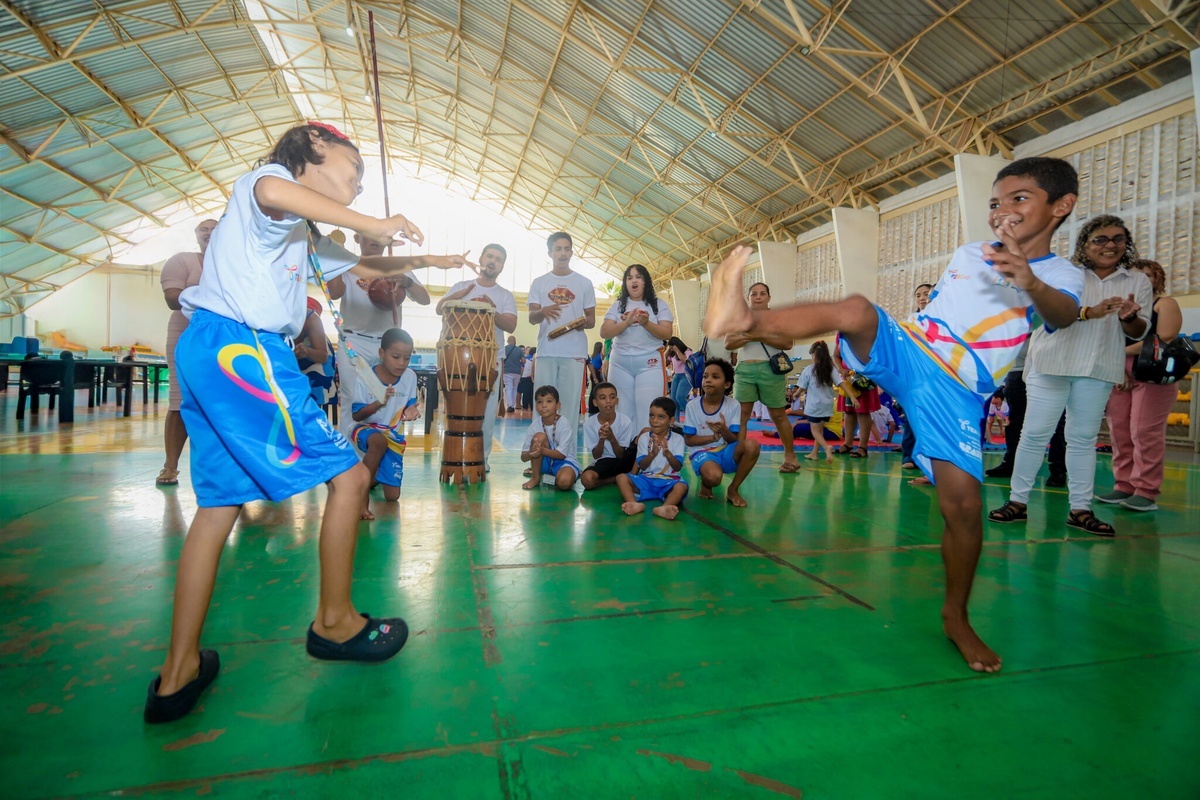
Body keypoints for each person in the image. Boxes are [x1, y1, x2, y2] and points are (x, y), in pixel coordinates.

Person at [704, 156, 1088, 674]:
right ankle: (746, 317)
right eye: (995, 202)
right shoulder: (972, 252)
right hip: (912, 346)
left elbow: (1061, 318)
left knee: (965, 508)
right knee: (859, 309)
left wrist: (1031, 281)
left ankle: (956, 616)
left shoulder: (1061, 273)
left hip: (958, 388)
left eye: (1020, 199)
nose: (1003, 211)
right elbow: (939, 314)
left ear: (1061, 207)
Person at [144, 122, 468, 724]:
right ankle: (335, 623)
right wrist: (376, 219)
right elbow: (279, 194)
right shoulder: (266, 186)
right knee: (349, 480)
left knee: (217, 508)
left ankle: (178, 670)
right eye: (353, 171)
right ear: (313, 152)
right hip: (247, 351)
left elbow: (369, 258)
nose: (359, 185)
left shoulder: (298, 231)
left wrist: (434, 259)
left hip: (211, 348)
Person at [989, 214, 1151, 537]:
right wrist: (1088, 312)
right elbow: (1043, 313)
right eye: (1100, 239)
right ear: (1085, 243)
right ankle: (1017, 502)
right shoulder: (1063, 272)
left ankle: (1080, 509)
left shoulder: (1136, 281)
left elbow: (1139, 330)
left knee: (1083, 440)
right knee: (1034, 434)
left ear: (1126, 244)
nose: (1110, 245)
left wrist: (1128, 317)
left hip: (1098, 367)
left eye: (1118, 239)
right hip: (1052, 362)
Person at [327, 232, 460, 436]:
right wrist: (335, 256)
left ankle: (385, 446)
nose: (375, 239)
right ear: (357, 238)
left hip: (388, 346)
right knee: (352, 397)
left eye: (381, 236)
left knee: (389, 398)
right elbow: (335, 292)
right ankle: (351, 456)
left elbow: (424, 299)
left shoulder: (397, 266)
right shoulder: (348, 263)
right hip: (354, 342)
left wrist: (406, 282)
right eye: (368, 234)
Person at [1101, 259, 1183, 512]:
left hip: (1152, 371)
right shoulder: (1119, 307)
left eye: (1148, 275)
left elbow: (1165, 336)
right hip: (1118, 368)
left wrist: (1120, 353)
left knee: (1143, 431)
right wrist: (1116, 362)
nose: (1143, 280)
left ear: (1157, 279)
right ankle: (1124, 484)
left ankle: (1146, 489)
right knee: (1120, 430)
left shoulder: (1164, 303)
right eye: (1137, 276)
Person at [435, 245, 517, 469]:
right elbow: (439, 308)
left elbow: (511, 324)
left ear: (502, 266)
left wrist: (491, 309)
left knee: (487, 414)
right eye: (489, 256)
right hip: (457, 360)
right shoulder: (461, 286)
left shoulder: (504, 295)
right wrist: (459, 296)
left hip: (489, 361)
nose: (492, 262)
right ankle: (454, 453)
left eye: (498, 259)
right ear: (481, 259)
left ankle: (482, 458)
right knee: (455, 410)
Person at [157, 218, 217, 486]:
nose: (210, 232)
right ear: (196, 235)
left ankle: (222, 465)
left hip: (222, 339)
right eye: (204, 228)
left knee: (222, 403)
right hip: (185, 337)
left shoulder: (235, 263)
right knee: (180, 401)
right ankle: (170, 466)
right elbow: (173, 299)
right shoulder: (182, 261)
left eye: (216, 229)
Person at [527, 232, 597, 459]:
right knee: (542, 406)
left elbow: (592, 320)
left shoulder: (584, 283)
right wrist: (543, 311)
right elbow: (532, 317)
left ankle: (567, 458)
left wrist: (579, 323)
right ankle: (537, 457)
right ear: (550, 253)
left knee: (567, 408)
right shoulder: (539, 282)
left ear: (572, 252)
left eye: (567, 249)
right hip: (547, 351)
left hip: (574, 352)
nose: (563, 253)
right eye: (558, 249)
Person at [725, 282, 801, 473]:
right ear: (749, 297)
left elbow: (787, 343)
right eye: (754, 294)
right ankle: (739, 455)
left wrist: (759, 335)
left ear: (768, 297)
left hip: (771, 369)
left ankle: (790, 456)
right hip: (744, 370)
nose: (758, 296)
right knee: (741, 416)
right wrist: (748, 337)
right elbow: (728, 342)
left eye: (762, 293)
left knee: (778, 414)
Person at [351, 329, 420, 520]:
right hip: (364, 429)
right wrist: (378, 404)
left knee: (392, 497)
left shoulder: (410, 377)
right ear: (382, 354)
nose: (401, 363)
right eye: (396, 357)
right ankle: (361, 500)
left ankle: (370, 477)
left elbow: (409, 406)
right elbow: (356, 415)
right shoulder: (365, 377)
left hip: (392, 435)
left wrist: (411, 411)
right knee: (379, 443)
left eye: (406, 358)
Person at [601, 264, 675, 429]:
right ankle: (626, 451)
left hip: (649, 363)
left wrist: (646, 323)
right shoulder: (618, 304)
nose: (633, 281)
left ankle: (645, 451)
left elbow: (666, 333)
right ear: (625, 283)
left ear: (645, 282)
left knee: (648, 410)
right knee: (622, 413)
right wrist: (626, 323)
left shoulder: (658, 304)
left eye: (638, 277)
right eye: (629, 277)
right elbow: (605, 332)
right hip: (620, 364)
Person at [683, 358, 760, 507]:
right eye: (705, 376)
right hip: (701, 452)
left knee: (752, 445)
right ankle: (706, 483)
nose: (708, 380)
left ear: (727, 384)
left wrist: (724, 430)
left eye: (715, 377)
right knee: (713, 477)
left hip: (725, 451)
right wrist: (712, 437)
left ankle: (733, 489)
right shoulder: (692, 405)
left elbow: (734, 441)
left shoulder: (733, 405)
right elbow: (689, 440)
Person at [617, 397, 688, 520]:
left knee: (681, 487)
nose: (654, 421)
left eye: (661, 417)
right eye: (651, 416)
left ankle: (665, 507)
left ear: (671, 420)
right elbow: (642, 466)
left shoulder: (678, 439)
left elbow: (677, 466)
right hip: (646, 480)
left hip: (669, 481)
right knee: (621, 477)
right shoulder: (644, 438)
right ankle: (633, 503)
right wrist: (653, 453)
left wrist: (668, 454)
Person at [522, 384, 581, 491]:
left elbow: (562, 455)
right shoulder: (534, 426)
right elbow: (523, 457)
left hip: (564, 461)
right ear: (536, 406)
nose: (544, 405)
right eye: (540, 402)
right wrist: (532, 452)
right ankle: (536, 477)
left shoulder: (564, 424)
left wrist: (541, 450)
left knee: (564, 483)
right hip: (544, 461)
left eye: (549, 401)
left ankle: (564, 476)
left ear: (558, 405)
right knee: (538, 437)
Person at [899, 284, 932, 470]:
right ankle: (909, 456)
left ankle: (930, 457)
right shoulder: (911, 320)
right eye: (918, 295)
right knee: (912, 415)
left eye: (926, 294)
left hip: (936, 374)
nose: (922, 298)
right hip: (915, 374)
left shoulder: (943, 318)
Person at [579, 382, 636, 490]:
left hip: (623, 461)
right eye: (603, 398)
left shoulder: (625, 421)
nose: (608, 401)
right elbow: (596, 455)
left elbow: (620, 455)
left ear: (617, 401)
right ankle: (614, 479)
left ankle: (627, 475)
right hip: (604, 461)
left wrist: (612, 438)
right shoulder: (589, 424)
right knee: (586, 479)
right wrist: (601, 440)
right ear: (595, 402)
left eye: (612, 397)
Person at [795, 340, 842, 462]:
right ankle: (814, 453)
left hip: (815, 405)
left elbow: (802, 387)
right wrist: (852, 397)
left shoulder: (810, 369)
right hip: (828, 405)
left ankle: (827, 447)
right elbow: (841, 383)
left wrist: (796, 394)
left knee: (814, 430)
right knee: (820, 429)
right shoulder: (830, 369)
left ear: (814, 355)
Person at [295, 296, 335, 410]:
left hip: (317, 355)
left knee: (312, 400)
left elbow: (322, 356)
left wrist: (306, 351)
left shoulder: (311, 317)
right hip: (295, 355)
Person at [664, 337, 693, 417]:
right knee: (673, 399)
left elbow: (686, 361)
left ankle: (691, 416)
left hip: (685, 375)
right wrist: (669, 349)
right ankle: (676, 420)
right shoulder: (672, 354)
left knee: (680, 397)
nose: (672, 350)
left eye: (672, 347)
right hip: (676, 376)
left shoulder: (687, 351)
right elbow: (664, 357)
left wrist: (677, 350)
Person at [519, 346, 535, 411]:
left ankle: (525, 406)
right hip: (533, 377)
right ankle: (532, 406)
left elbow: (521, 367)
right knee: (532, 393)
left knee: (525, 393)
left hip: (524, 377)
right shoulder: (535, 358)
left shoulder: (525, 358)